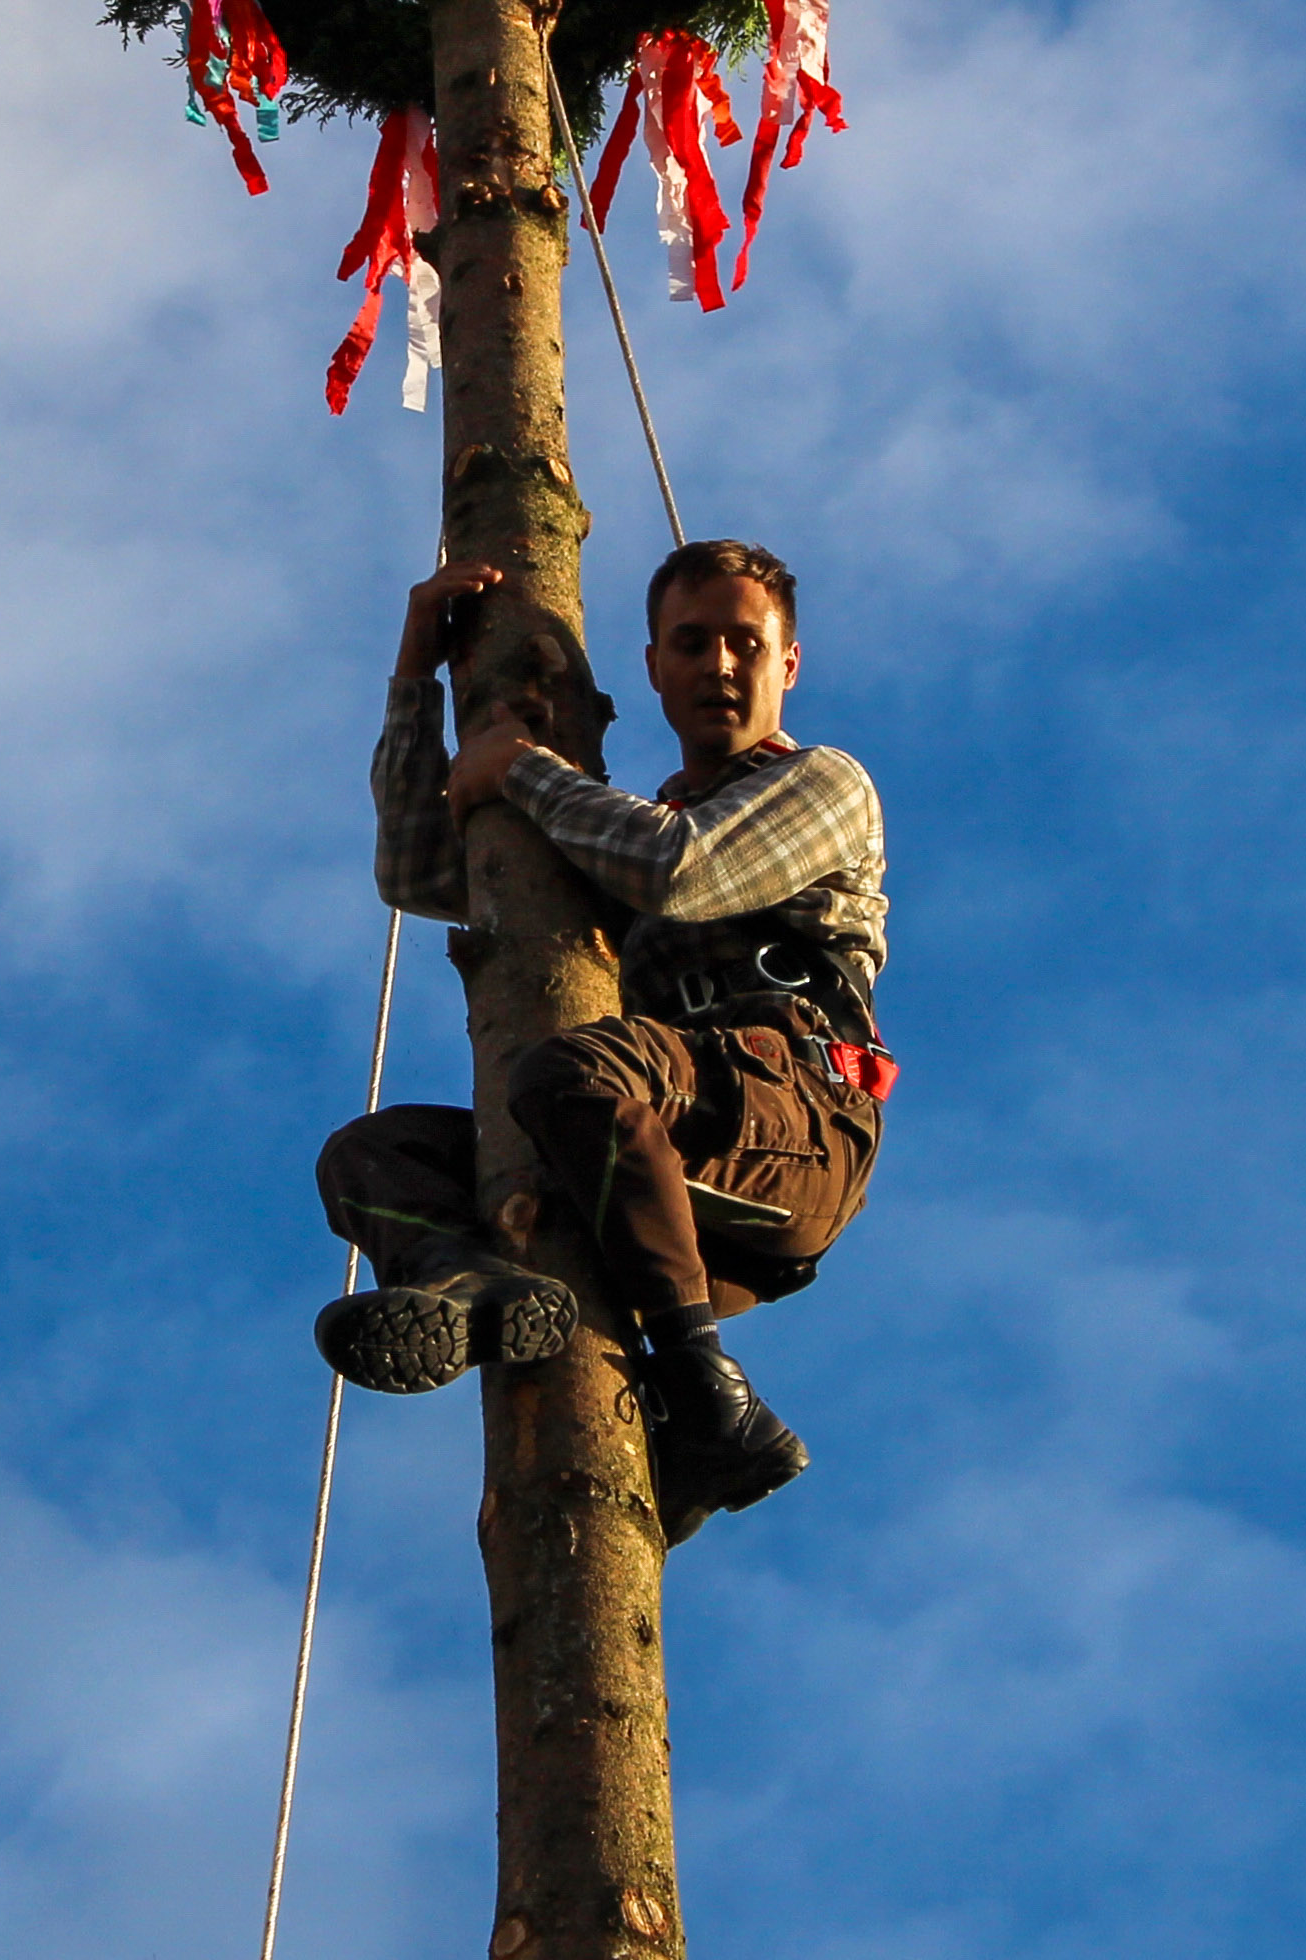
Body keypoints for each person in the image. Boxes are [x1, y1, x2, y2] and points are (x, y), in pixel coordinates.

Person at [312, 536, 894, 1518]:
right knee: (372, 1155)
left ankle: (706, 1396)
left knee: (571, 1073)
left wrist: (524, 770)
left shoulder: (823, 784)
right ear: (654, 667)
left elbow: (681, 868)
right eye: (692, 643)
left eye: (746, 644)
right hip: (653, 1166)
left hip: (792, 1127)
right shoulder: (610, 829)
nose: (720, 665)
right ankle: (473, 1281)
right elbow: (419, 870)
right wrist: (417, 679)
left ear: (789, 664)